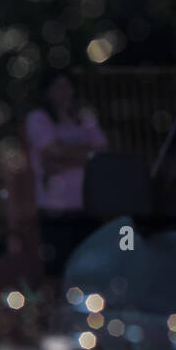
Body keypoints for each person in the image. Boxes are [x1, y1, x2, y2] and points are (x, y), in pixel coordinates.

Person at [24, 72, 109, 276]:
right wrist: (86, 154)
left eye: (67, 86)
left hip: (88, 206)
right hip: (55, 209)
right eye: (57, 87)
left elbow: (102, 151)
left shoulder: (84, 116)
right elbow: (52, 152)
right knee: (59, 270)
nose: (63, 93)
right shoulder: (38, 118)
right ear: (47, 92)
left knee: (91, 269)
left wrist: (65, 156)